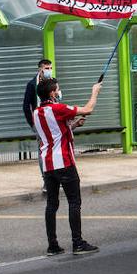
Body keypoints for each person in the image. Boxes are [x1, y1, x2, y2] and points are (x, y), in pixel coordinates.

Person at [32, 75, 103, 255]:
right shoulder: (58, 108)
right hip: (64, 162)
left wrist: (74, 126)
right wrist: (94, 92)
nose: (59, 91)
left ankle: (53, 245)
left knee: (51, 204)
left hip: (48, 164)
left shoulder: (36, 113)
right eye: (57, 89)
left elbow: (53, 134)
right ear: (52, 93)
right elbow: (88, 109)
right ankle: (77, 243)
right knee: (74, 202)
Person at [23, 58, 53, 193]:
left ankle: (55, 178)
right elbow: (25, 105)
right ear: (40, 69)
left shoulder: (52, 82)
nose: (49, 71)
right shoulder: (32, 84)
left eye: (50, 68)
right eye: (46, 68)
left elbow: (58, 100)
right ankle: (46, 181)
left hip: (52, 121)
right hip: (39, 122)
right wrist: (33, 124)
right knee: (42, 151)